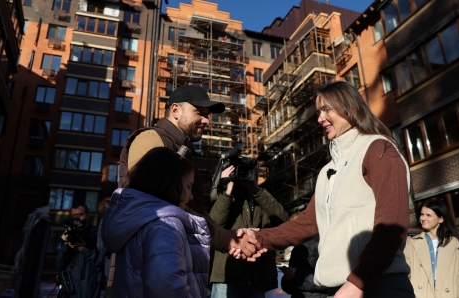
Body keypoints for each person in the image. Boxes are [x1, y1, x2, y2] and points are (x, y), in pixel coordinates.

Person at [239, 81, 414, 298]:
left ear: (348, 107)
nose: (320, 118)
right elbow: (306, 224)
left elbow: (392, 224)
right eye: (319, 112)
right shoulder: (327, 171)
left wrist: (358, 283)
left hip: (378, 286)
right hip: (338, 289)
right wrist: (260, 238)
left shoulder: (378, 149)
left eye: (326, 109)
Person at [118, 85, 262, 259]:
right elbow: (159, 208)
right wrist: (224, 238)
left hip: (168, 260)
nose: (207, 121)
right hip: (148, 266)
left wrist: (227, 236)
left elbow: (191, 209)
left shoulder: (182, 150)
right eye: (200, 112)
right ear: (176, 110)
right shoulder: (151, 140)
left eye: (207, 115)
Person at [101, 147, 211, 297]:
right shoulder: (166, 225)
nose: (190, 196)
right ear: (169, 183)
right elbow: (168, 287)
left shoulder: (138, 220)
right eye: (188, 186)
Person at [210, 164, 289, 297]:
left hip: (257, 278)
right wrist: (227, 189)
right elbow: (213, 226)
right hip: (228, 278)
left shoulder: (262, 198)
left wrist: (256, 189)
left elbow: (284, 222)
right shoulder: (226, 198)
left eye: (253, 170)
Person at [404, 200, 459, 298]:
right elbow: (405, 275)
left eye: (428, 215)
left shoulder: (457, 244)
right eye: (422, 214)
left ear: (441, 219)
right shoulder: (411, 244)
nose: (423, 218)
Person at [56, 204, 104, 298]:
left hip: (89, 288)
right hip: (69, 288)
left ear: (88, 215)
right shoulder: (67, 234)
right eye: (75, 216)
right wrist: (65, 245)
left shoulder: (97, 235)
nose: (78, 219)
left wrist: (84, 249)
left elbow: (102, 261)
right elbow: (59, 265)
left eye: (80, 214)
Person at [281, 213, 328, 298]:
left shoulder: (320, 245)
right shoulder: (296, 248)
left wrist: (296, 274)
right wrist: (287, 278)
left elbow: (327, 281)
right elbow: (289, 288)